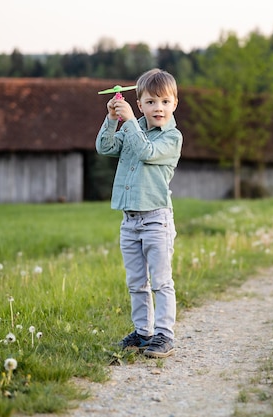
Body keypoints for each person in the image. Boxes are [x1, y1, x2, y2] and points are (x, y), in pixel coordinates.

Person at [95, 68, 183, 358]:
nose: (158, 108)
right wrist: (112, 119)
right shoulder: (134, 129)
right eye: (150, 102)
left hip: (156, 218)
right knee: (136, 282)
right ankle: (143, 333)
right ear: (140, 103)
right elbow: (105, 147)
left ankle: (164, 335)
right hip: (130, 220)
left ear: (174, 104)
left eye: (165, 102)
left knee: (160, 281)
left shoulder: (172, 138)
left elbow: (147, 152)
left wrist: (130, 120)